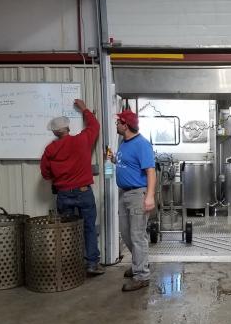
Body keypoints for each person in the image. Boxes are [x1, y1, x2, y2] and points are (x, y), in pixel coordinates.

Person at [40, 99, 104, 275]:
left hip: (63, 195)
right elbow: (95, 126)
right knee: (89, 228)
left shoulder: (50, 149)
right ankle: (91, 264)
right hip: (84, 192)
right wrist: (84, 109)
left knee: (66, 231)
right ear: (68, 128)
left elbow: (45, 173)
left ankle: (69, 265)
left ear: (54, 132)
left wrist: (58, 177)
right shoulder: (82, 140)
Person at [111, 109, 156, 292]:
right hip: (124, 194)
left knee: (137, 236)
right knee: (126, 234)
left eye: (118, 123)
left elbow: (150, 172)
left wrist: (150, 196)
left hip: (138, 194)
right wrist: (114, 159)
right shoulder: (123, 141)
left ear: (126, 125)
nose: (116, 125)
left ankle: (142, 276)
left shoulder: (142, 144)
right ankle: (140, 263)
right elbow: (128, 164)